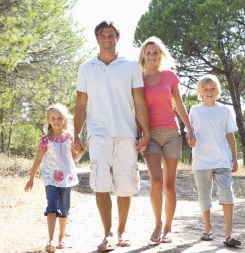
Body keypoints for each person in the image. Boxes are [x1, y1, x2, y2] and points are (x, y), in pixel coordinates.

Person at [73, 20, 150, 251]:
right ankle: (106, 234)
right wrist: (76, 133)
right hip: (98, 134)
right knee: (101, 185)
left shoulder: (131, 67)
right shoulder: (86, 68)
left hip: (126, 134)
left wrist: (145, 131)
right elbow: (80, 103)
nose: (107, 39)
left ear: (118, 37)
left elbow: (139, 100)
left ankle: (122, 231)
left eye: (111, 35)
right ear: (97, 38)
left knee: (125, 186)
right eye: (102, 35)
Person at [137, 36, 194, 244]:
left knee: (169, 186)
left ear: (160, 55)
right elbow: (136, 110)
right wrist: (139, 134)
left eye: (155, 53)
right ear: (143, 55)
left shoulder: (169, 76)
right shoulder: (138, 78)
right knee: (156, 182)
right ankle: (158, 223)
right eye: (148, 52)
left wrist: (190, 129)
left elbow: (179, 104)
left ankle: (168, 228)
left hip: (171, 133)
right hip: (149, 135)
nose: (151, 56)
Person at [188, 74, 241, 247]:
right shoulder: (195, 110)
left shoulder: (224, 111)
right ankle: (208, 228)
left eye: (212, 89)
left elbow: (230, 135)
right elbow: (189, 133)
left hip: (222, 161)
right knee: (204, 196)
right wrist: (190, 139)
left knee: (227, 192)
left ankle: (228, 234)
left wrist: (234, 157)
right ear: (200, 92)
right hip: (201, 161)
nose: (209, 92)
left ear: (217, 91)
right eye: (205, 89)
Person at [24, 103, 82, 253]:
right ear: (48, 120)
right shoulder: (45, 140)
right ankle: (50, 240)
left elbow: (75, 158)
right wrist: (31, 178)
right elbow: (37, 160)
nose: (56, 120)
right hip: (51, 178)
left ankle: (61, 239)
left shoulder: (69, 137)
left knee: (63, 210)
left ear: (64, 120)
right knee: (51, 208)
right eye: (53, 118)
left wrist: (81, 151)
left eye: (59, 118)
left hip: (66, 179)